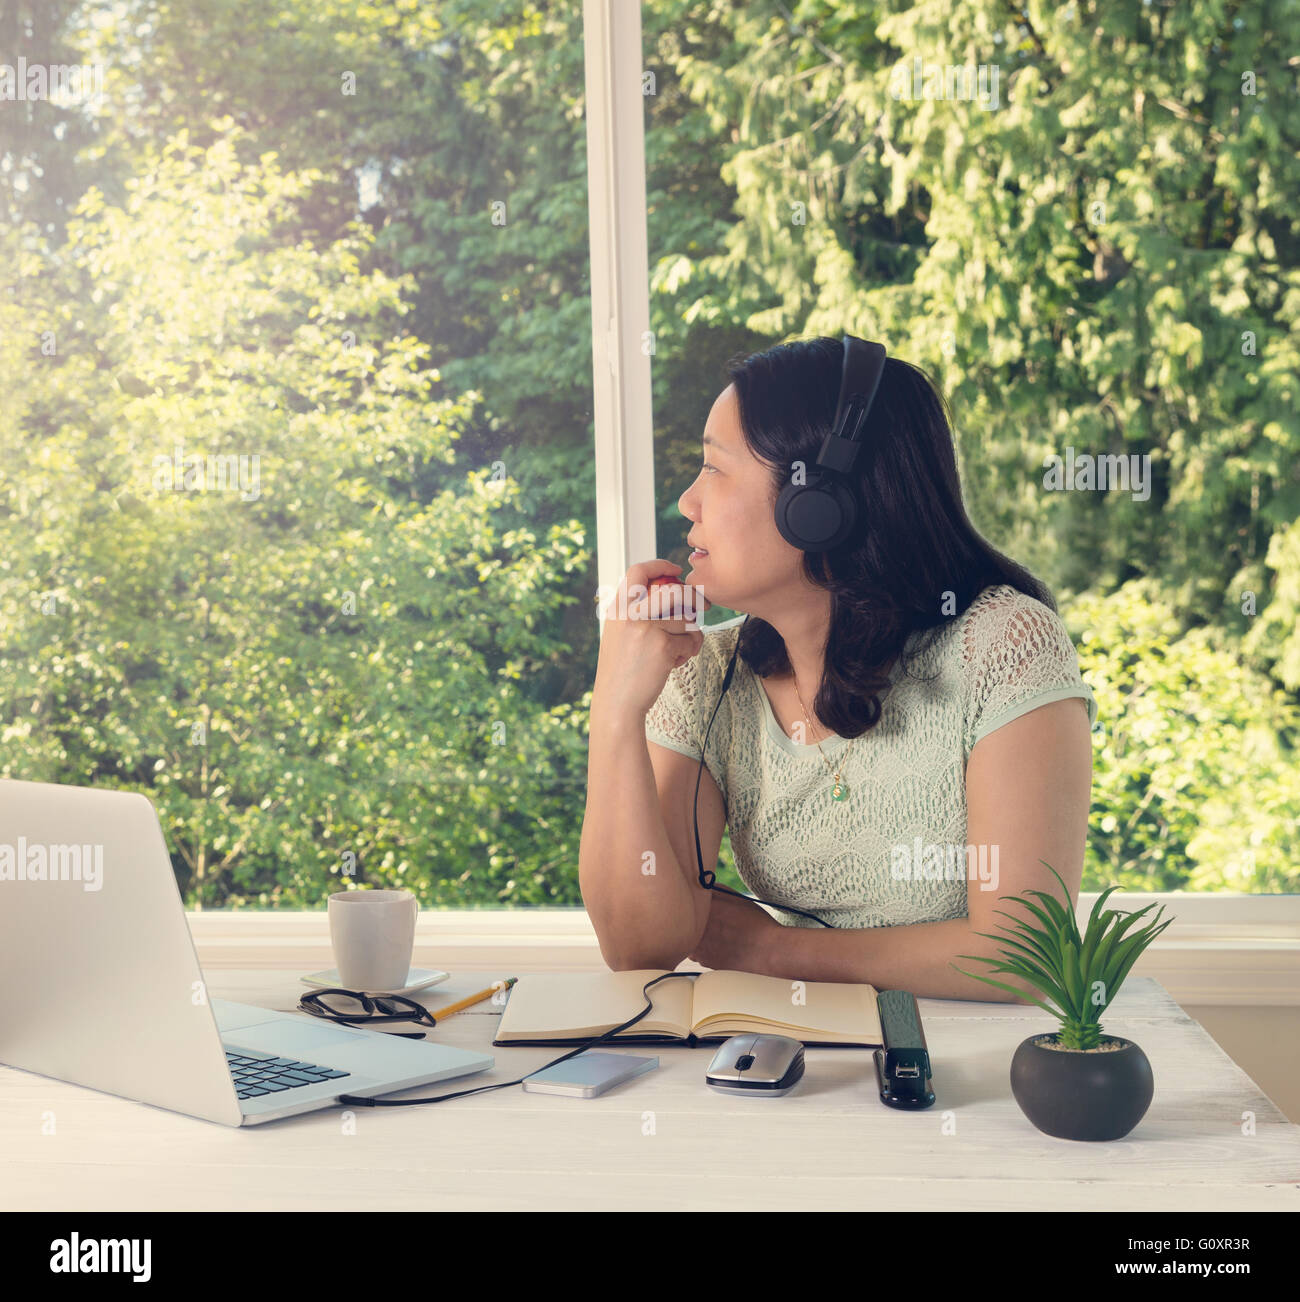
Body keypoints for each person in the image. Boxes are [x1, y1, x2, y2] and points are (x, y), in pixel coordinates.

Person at [578, 337, 1096, 1000]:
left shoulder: (1001, 645)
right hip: (796, 1058)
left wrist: (771, 948)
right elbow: (638, 945)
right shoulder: (706, 675)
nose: (687, 501)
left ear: (816, 504)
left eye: (714, 468)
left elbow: (1023, 953)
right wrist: (615, 712)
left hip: (975, 1073)